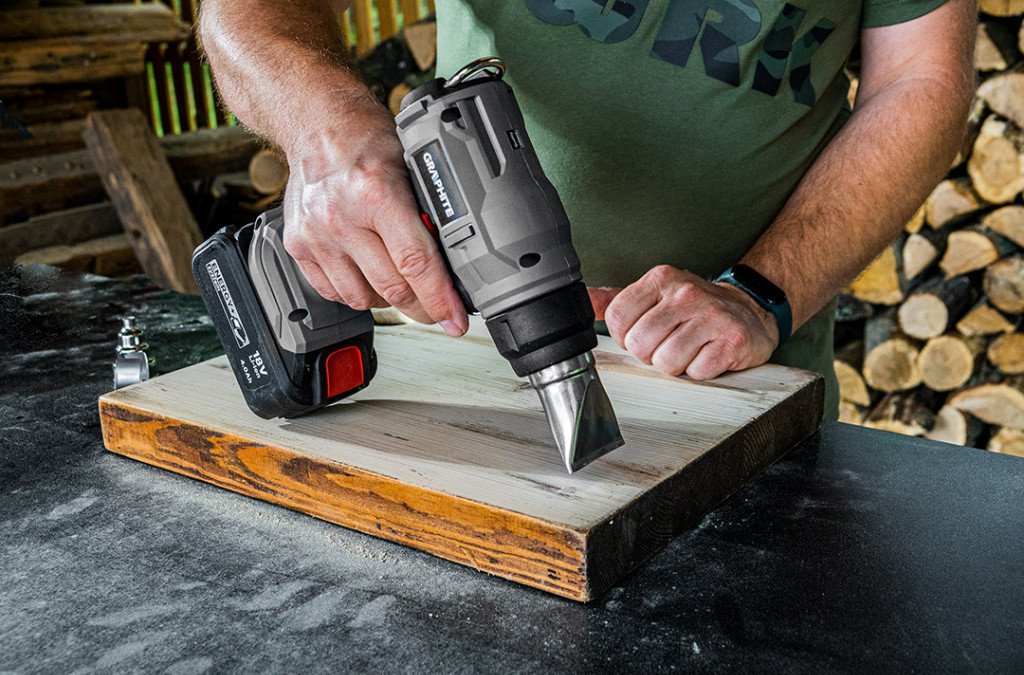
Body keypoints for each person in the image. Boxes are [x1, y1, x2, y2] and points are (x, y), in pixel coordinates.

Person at [198, 0, 975, 418]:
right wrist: (325, 126)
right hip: (450, 353)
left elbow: (921, 81)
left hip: (730, 376)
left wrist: (763, 290)